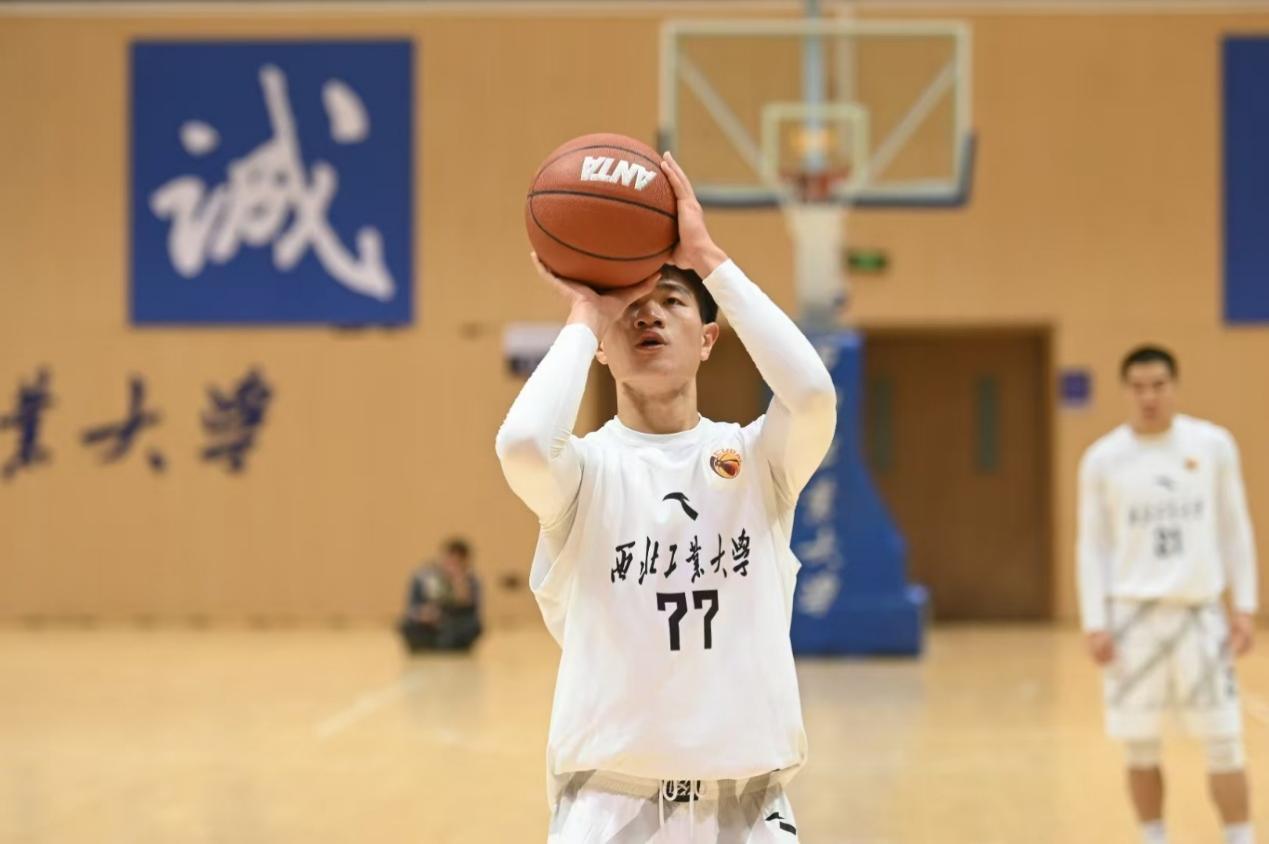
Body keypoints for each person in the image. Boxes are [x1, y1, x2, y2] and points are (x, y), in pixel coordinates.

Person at [495, 151, 836, 842]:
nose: (647, 314)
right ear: (601, 347)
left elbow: (811, 393)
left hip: (748, 807)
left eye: (672, 301)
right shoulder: (584, 473)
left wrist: (707, 258)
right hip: (610, 806)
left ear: (709, 339)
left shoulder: (756, 460)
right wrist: (587, 310)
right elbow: (523, 443)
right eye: (630, 308)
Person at [1077, 345, 1258, 844]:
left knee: (1225, 741)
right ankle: (1154, 837)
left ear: (1174, 386)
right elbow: (1092, 545)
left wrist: (1245, 607)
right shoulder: (1103, 459)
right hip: (1132, 617)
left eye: (1158, 385)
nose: (1149, 397)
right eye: (1138, 387)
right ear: (1126, 392)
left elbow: (1235, 528)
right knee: (1139, 746)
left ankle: (1240, 838)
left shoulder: (1213, 445)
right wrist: (1094, 621)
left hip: (1200, 613)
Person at [397, 538, 482, 653]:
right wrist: (423, 614)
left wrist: (459, 583)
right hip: (427, 627)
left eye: (458, 562)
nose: (452, 565)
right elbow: (411, 609)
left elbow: (474, 613)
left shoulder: (471, 581)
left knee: (472, 627)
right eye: (450, 560)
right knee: (406, 624)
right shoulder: (423, 578)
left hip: (455, 626)